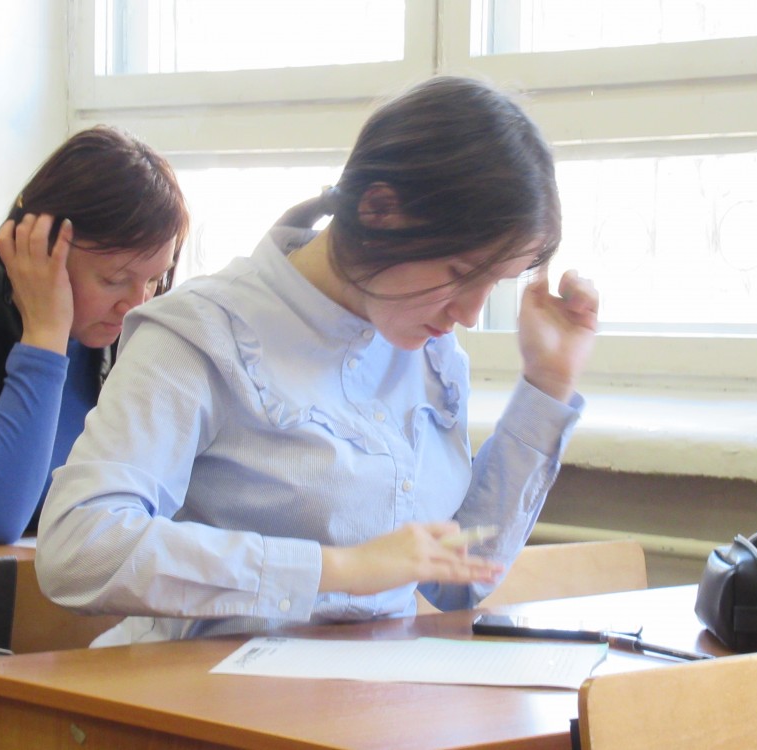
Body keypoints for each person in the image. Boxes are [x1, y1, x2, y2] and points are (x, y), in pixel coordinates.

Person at [34, 75, 600, 645]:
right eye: (459, 273)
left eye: (495, 283)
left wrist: (548, 384)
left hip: (372, 690)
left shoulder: (427, 349)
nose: (471, 314)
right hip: (205, 689)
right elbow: (79, 548)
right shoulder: (202, 332)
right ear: (379, 209)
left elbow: (460, 579)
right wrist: (338, 570)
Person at [0, 126, 190, 544]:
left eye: (155, 279)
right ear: (41, 246)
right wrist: (46, 333)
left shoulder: (140, 328)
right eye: (114, 279)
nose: (137, 304)